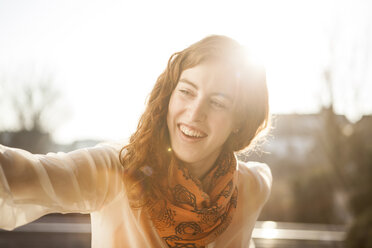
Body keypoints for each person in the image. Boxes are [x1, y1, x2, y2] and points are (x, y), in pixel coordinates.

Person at [0, 35, 272, 248]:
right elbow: (22, 172)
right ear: (169, 95)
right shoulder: (118, 168)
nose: (194, 113)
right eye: (187, 91)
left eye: (217, 102)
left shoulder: (252, 186)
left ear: (240, 120)